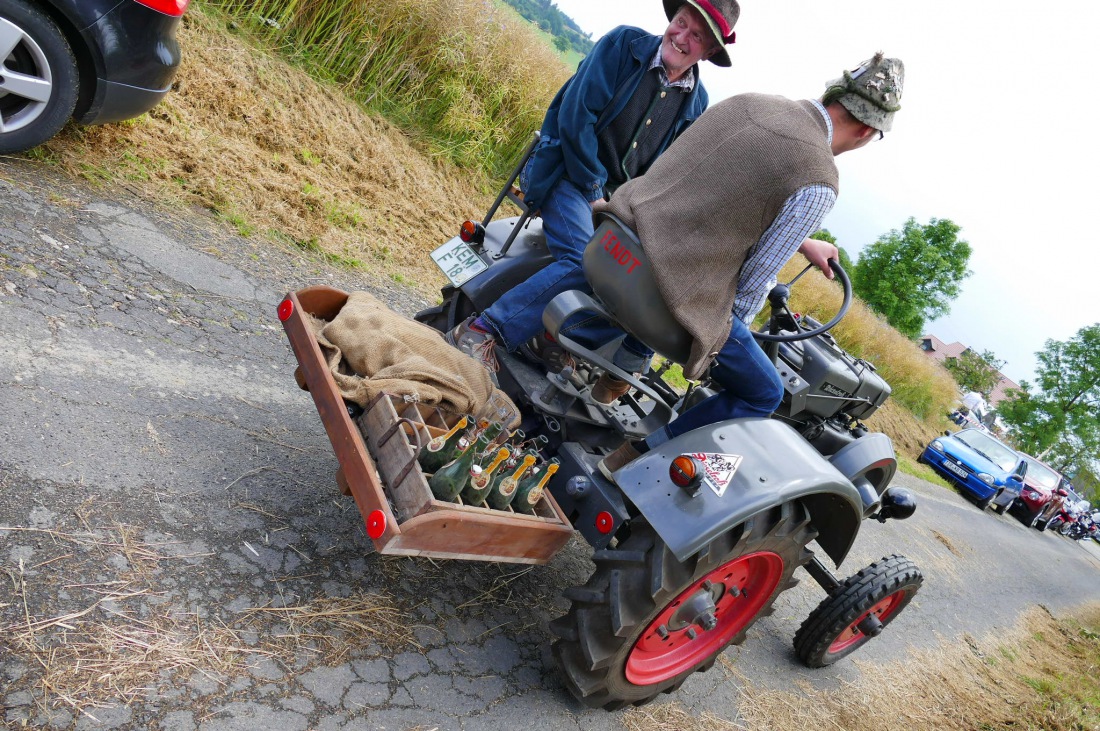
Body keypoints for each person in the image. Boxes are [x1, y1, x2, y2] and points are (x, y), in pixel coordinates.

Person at [595, 52, 905, 479]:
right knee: (764, 392)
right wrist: (717, 344)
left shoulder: (753, 103)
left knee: (686, 274)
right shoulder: (819, 178)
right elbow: (753, 284)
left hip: (617, 238)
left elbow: (721, 195)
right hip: (662, 290)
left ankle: (619, 373)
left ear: (834, 92)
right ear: (869, 131)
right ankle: (638, 458)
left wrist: (802, 241)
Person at [447, 0, 741, 374]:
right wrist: (594, 191)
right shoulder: (623, 45)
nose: (680, 36)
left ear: (710, 50)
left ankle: (550, 337)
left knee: (637, 283)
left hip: (615, 200)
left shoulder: (696, 101)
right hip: (565, 170)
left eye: (695, 35)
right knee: (588, 263)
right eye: (680, 23)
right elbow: (575, 118)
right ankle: (481, 329)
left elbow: (662, 173)